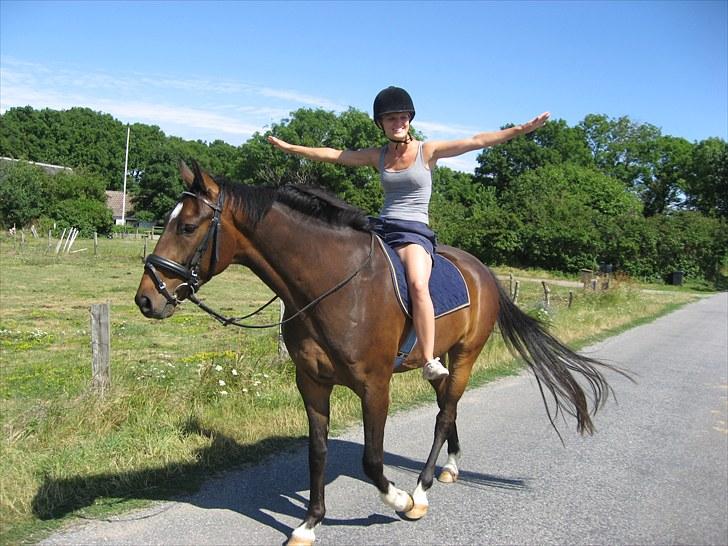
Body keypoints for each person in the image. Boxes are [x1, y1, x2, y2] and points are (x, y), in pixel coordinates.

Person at [268, 86, 549, 380]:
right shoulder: (378, 155)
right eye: (391, 119)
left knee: (417, 284)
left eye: (403, 117)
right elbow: (335, 155)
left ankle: (429, 358)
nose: (398, 123)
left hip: (414, 233)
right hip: (382, 227)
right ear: (381, 124)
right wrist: (291, 149)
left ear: (410, 120)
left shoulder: (427, 151)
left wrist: (520, 130)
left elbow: (476, 141)